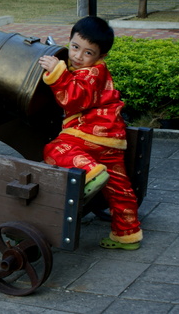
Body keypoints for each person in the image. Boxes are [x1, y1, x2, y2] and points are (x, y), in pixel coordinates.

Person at [38, 16, 142, 250]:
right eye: (75, 47)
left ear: (100, 57)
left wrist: (57, 73)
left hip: (88, 133)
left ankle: (89, 171)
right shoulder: (97, 70)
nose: (77, 56)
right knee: (119, 187)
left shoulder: (90, 73)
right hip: (112, 139)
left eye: (87, 53)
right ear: (70, 41)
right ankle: (128, 234)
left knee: (54, 149)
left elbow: (75, 99)